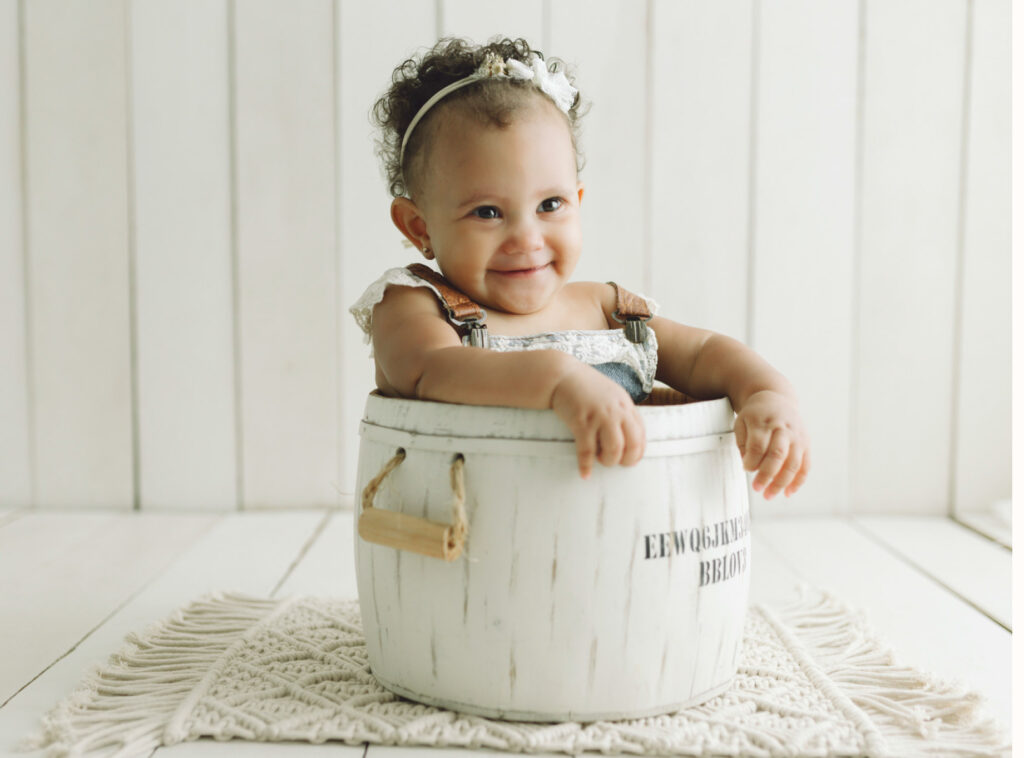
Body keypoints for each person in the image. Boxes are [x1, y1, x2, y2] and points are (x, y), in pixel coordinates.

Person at [350, 37, 809, 498]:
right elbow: (433, 371)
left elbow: (701, 352)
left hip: (626, 521)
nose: (527, 239)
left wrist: (765, 392)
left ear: (578, 200)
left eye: (550, 204)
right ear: (419, 227)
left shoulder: (605, 309)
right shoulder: (413, 306)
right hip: (483, 520)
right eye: (487, 212)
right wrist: (558, 379)